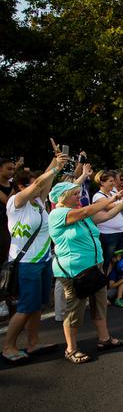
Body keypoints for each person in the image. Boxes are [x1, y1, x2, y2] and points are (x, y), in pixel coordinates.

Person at [48, 182, 123, 364]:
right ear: (63, 196)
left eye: (79, 193)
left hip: (94, 267)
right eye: (75, 194)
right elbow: (86, 212)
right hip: (74, 271)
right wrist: (112, 198)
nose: (79, 196)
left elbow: (107, 215)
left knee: (100, 303)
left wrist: (122, 202)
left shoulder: (80, 212)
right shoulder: (59, 214)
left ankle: (104, 338)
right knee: (75, 309)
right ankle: (71, 349)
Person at [2, 154, 68, 363]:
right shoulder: (16, 202)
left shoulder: (39, 202)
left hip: (43, 261)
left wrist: (56, 163)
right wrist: (53, 169)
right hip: (26, 263)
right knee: (25, 307)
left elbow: (44, 182)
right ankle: (8, 346)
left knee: (38, 305)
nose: (39, 187)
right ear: (22, 186)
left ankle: (32, 343)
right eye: (33, 184)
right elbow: (41, 181)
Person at [92, 171, 123, 274]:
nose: (114, 183)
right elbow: (110, 207)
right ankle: (107, 284)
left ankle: (120, 284)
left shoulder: (114, 193)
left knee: (121, 260)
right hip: (108, 235)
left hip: (121, 232)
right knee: (108, 261)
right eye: (111, 181)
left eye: (113, 180)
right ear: (102, 183)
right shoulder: (98, 196)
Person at [0, 158, 16, 266]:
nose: (12, 171)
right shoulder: (14, 187)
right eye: (9, 169)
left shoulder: (13, 185)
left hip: (12, 226)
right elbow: (7, 201)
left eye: (13, 169)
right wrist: (16, 189)